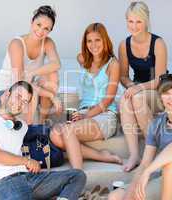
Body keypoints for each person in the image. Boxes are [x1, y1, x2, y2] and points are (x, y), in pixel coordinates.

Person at [0, 81, 86, 200]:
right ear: (7, 94)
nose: (19, 104)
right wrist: (27, 161)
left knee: (77, 175)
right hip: (5, 183)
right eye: (18, 96)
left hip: (31, 178)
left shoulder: (22, 126)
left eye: (24, 102)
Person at [109, 73, 172, 200]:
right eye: (166, 94)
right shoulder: (157, 123)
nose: (171, 98)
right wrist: (129, 195)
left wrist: (148, 172)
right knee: (116, 196)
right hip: (168, 180)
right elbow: (145, 163)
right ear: (160, 97)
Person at [50, 23, 122, 169]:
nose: (93, 45)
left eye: (98, 40)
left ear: (105, 41)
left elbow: (108, 99)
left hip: (104, 115)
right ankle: (101, 155)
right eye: (89, 41)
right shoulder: (83, 59)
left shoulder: (113, 64)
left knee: (67, 131)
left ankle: (77, 174)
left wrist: (87, 115)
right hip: (83, 112)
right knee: (54, 134)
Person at [119, 1, 168, 172]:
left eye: (138, 21)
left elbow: (160, 79)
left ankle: (153, 150)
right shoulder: (124, 45)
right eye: (131, 21)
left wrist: (137, 89)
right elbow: (123, 76)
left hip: (159, 90)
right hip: (138, 88)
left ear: (146, 21)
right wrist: (132, 86)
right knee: (124, 101)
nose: (134, 26)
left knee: (137, 97)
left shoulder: (158, 43)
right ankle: (134, 155)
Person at [0, 5, 62, 124]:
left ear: (50, 31)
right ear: (32, 22)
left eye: (46, 28)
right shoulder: (17, 44)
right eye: (38, 25)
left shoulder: (47, 43)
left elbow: (56, 64)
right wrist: (51, 95)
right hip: (7, 91)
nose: (41, 31)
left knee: (52, 74)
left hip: (28, 88)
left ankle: (41, 122)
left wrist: (33, 73)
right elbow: (19, 82)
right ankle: (29, 130)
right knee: (30, 91)